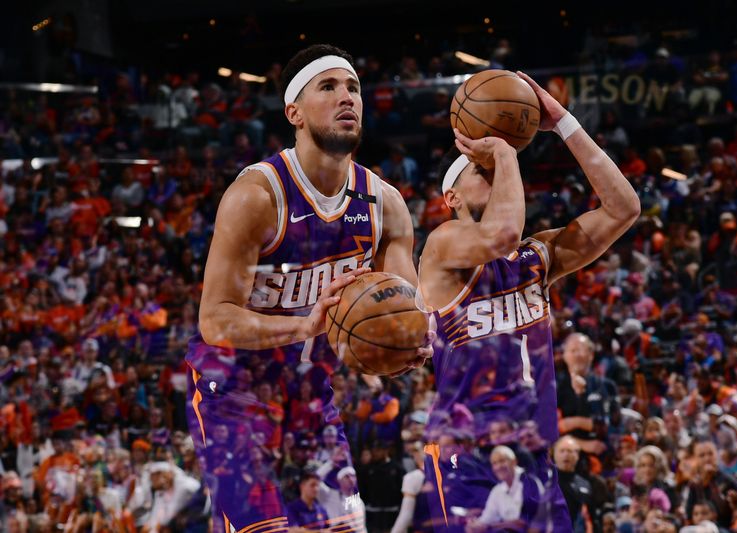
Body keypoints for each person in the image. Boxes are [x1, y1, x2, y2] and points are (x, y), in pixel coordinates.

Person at [185, 44, 432, 532]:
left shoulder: (384, 204)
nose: (348, 97)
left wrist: (410, 341)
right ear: (293, 111)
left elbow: (407, 307)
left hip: (312, 396)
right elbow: (215, 320)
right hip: (234, 394)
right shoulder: (257, 196)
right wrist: (306, 325)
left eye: (354, 87)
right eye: (329, 86)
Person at [417, 71, 640, 532]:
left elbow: (624, 208)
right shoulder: (441, 248)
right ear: (451, 196)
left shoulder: (537, 258)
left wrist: (562, 122)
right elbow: (501, 234)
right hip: (467, 464)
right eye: (485, 173)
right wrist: (502, 150)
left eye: (505, 170)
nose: (501, 177)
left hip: (535, 463)